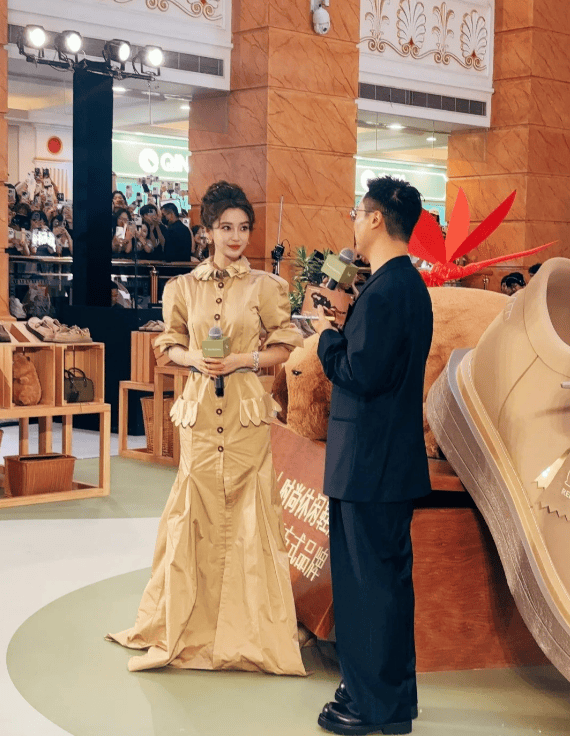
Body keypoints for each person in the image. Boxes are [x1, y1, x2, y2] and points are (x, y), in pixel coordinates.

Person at [106, 180, 306, 676]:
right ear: (208, 232)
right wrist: (192, 357)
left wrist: (243, 359)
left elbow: (286, 346)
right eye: (225, 227)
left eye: (243, 228)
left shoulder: (266, 287)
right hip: (198, 414)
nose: (236, 237)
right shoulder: (181, 288)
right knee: (192, 515)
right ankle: (187, 626)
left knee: (250, 518)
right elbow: (167, 344)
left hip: (245, 415)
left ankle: (251, 633)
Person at [312, 175, 433, 736]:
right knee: (386, 586)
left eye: (358, 214)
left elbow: (359, 372)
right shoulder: (405, 287)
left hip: (367, 465)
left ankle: (369, 706)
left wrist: (325, 334)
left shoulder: (385, 292)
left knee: (366, 588)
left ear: (377, 219)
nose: (354, 224)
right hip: (387, 463)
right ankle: (387, 699)